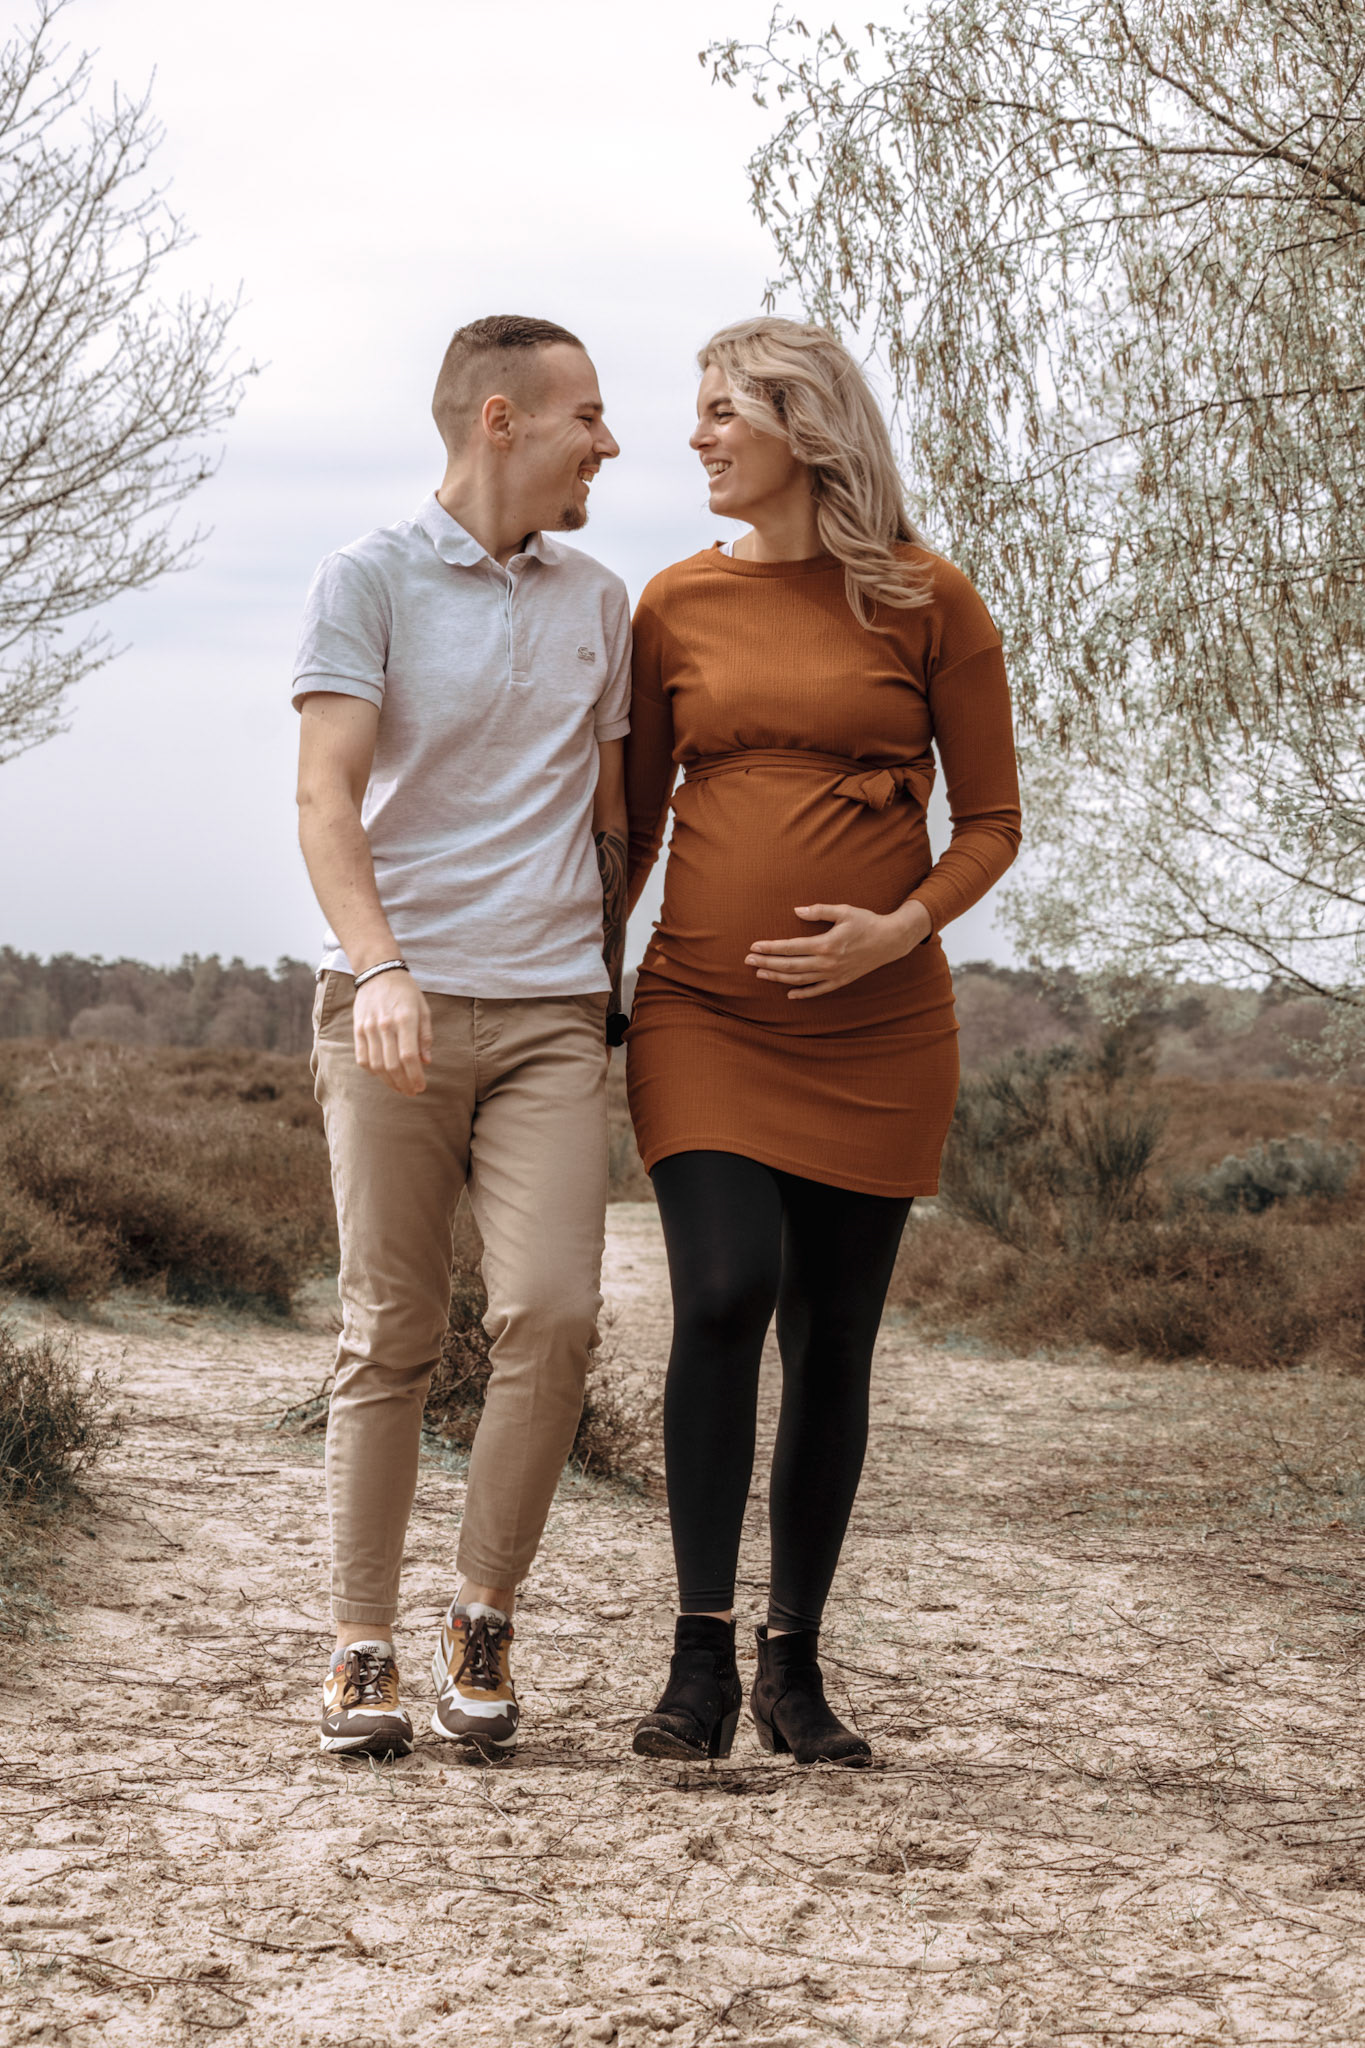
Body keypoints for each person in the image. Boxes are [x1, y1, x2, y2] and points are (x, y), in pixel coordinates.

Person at [624, 317, 1021, 1768]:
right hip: (701, 1013)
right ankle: (697, 1661)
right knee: (726, 1291)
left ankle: (792, 1665)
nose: (698, 435)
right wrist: (577, 980)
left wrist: (896, 929)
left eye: (723, 409)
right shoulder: (672, 603)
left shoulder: (928, 598)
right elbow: (628, 824)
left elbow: (991, 823)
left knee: (833, 1338)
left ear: (806, 426)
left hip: (880, 1029)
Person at [293, 314, 629, 1761]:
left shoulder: (600, 600)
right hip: (393, 1010)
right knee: (392, 1330)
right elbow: (324, 795)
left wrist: (609, 977)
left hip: (551, 1012)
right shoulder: (365, 578)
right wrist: (380, 968)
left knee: (551, 1314)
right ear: (502, 418)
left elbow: (614, 819)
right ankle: (360, 1645)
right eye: (586, 416)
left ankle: (481, 1613)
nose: (608, 443)